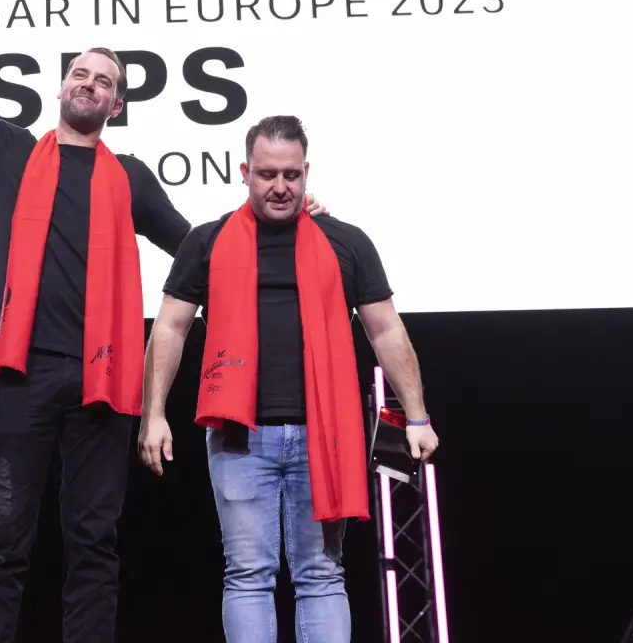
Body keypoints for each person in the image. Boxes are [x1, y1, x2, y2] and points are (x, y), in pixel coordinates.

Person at [0, 0, 328, 642]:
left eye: (104, 81)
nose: (89, 84)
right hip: (20, 372)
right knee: (1, 539)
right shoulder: (10, 151)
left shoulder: (130, 177)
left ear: (117, 104)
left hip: (104, 378)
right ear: (60, 86)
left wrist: (281, 209)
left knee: (93, 545)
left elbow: (203, 251)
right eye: (81, 73)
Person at [138, 115, 439, 642]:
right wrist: (153, 414)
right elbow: (170, 327)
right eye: (267, 174)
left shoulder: (346, 242)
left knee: (321, 575)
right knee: (248, 575)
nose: (280, 186)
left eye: (291, 175)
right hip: (239, 436)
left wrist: (416, 416)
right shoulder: (207, 242)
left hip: (325, 435)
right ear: (244, 173)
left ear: (306, 173)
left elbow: (386, 330)